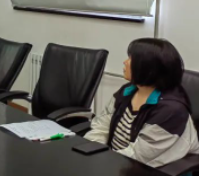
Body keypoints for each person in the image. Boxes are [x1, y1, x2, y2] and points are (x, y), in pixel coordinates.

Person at [85, 38, 198, 168]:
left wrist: (105, 164)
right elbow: (102, 126)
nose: (125, 62)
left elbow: (139, 155)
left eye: (131, 59)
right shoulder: (128, 91)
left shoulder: (171, 111)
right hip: (117, 163)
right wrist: (94, 153)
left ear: (148, 68)